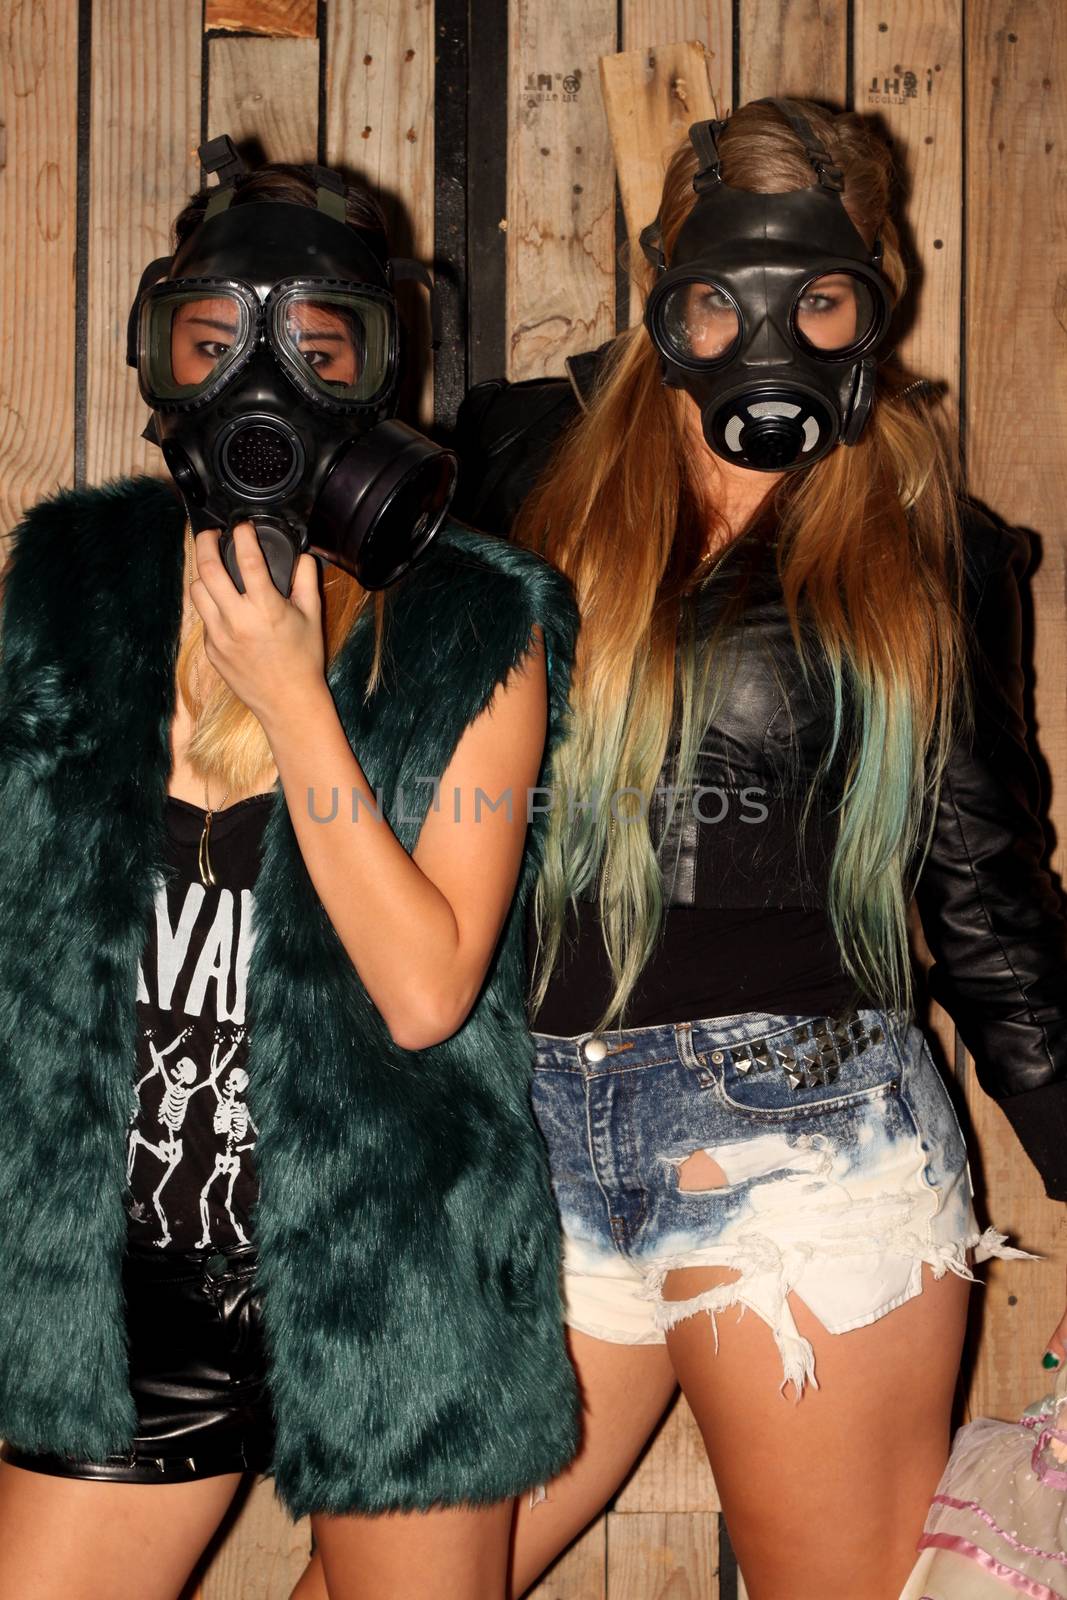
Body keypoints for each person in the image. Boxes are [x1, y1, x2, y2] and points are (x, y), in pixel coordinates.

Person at [456, 96, 1067, 1600]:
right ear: (666, 283)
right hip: (525, 1126)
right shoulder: (522, 459)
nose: (764, 337)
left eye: (820, 297)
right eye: (720, 298)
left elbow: (987, 899)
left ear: (873, 299)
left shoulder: (927, 541)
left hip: (809, 1146)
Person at [0, 146, 581, 1600]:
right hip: (112, 1301)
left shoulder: (471, 626)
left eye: (320, 349)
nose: (258, 383)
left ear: (377, 373)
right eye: (211, 342)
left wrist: (292, 693)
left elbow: (424, 994)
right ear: (164, 359)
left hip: (395, 1276)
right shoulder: (74, 587)